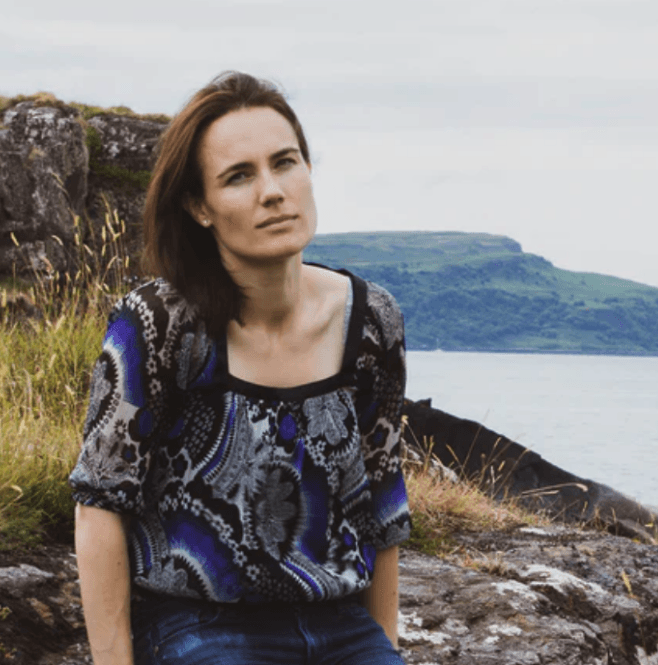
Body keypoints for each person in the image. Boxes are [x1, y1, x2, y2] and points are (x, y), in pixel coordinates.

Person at [69, 71, 411, 665]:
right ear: (199, 206)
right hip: (198, 624)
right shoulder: (158, 323)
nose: (273, 192)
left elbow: (382, 504)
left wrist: (384, 648)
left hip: (340, 624)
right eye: (239, 176)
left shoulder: (371, 320)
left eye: (285, 163)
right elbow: (100, 501)